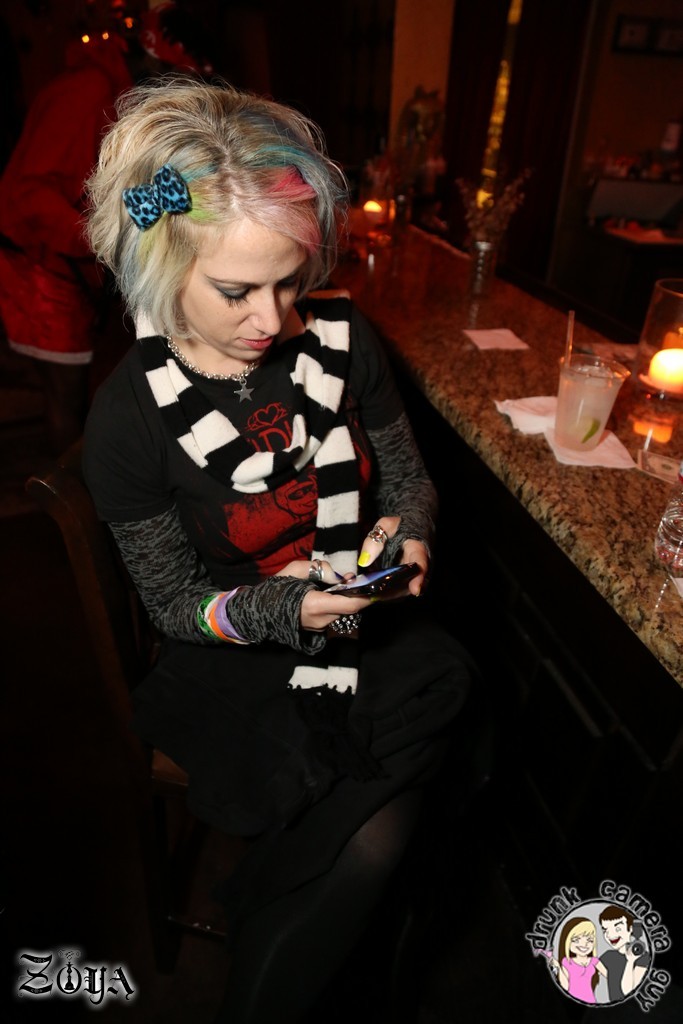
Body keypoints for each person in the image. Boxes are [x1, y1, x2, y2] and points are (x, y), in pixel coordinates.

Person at [82, 76, 474, 1023]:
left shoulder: (342, 337)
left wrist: (408, 534)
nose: (273, 318)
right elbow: (177, 605)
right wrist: (286, 607)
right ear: (157, 268)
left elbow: (408, 481)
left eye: (291, 279)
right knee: (371, 835)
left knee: (440, 700)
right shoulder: (128, 420)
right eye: (236, 290)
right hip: (233, 649)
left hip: (355, 623)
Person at [599, 905, 651, 1002]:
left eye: (618, 929)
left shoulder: (643, 957)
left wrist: (630, 961)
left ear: (630, 929)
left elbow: (627, 991)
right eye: (605, 930)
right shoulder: (608, 956)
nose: (610, 935)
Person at [551, 916, 607, 1004]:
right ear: (567, 941)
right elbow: (565, 986)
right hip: (571, 1002)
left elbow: (610, 976)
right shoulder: (566, 962)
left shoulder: (594, 961)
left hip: (590, 1001)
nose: (584, 944)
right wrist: (558, 967)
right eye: (576, 940)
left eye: (590, 940)